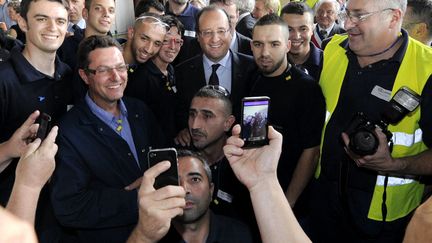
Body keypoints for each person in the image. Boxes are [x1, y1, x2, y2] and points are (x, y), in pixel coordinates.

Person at [309, 0, 432, 242]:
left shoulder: (427, 70)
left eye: (359, 16)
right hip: (322, 204)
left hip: (383, 221)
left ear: (394, 17)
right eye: (347, 13)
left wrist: (394, 165)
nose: (346, 24)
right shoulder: (333, 49)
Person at [50, 35, 166, 243]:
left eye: (121, 67)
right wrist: (137, 198)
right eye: (103, 70)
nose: (116, 77)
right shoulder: (67, 133)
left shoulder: (140, 110)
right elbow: (68, 207)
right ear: (85, 76)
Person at [0, 0, 71, 240]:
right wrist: (9, 149)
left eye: (60, 20)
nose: (53, 27)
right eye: (42, 19)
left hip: (63, 214)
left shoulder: (69, 75)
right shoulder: (4, 81)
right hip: (13, 216)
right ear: (22, 22)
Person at [250, 13, 325, 213]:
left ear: (287, 46)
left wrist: (288, 203)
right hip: (250, 190)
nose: (264, 52)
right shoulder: (249, 77)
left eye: (274, 44)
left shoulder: (307, 89)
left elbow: (311, 152)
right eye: (258, 44)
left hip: (285, 196)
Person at [175, 5, 257, 146]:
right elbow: (180, 112)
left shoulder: (252, 68)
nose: (215, 39)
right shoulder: (182, 72)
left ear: (230, 32)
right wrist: (183, 130)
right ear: (198, 36)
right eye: (207, 32)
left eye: (221, 31)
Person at [159, 150, 253, 242]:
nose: (184, 189)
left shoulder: (240, 234)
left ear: (211, 190)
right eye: (175, 182)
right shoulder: (152, 237)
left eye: (195, 179)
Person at [125, 15, 181, 143]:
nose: (149, 48)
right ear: (131, 33)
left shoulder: (172, 71)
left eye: (157, 43)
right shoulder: (138, 77)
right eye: (144, 38)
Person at [281, 1, 323, 80]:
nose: (296, 36)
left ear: (312, 30)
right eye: (289, 29)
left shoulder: (328, 64)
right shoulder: (273, 63)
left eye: (303, 29)